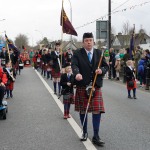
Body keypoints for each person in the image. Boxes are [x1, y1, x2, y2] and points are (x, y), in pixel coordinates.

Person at [71, 32, 109, 146]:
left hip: (95, 86)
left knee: (97, 111)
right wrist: (77, 74)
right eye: (86, 40)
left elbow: (106, 66)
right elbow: (74, 65)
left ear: (93, 42)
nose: (88, 42)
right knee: (84, 110)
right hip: (83, 85)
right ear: (83, 42)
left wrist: (101, 70)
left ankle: (96, 136)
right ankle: (84, 132)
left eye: (90, 40)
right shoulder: (77, 53)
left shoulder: (98, 53)